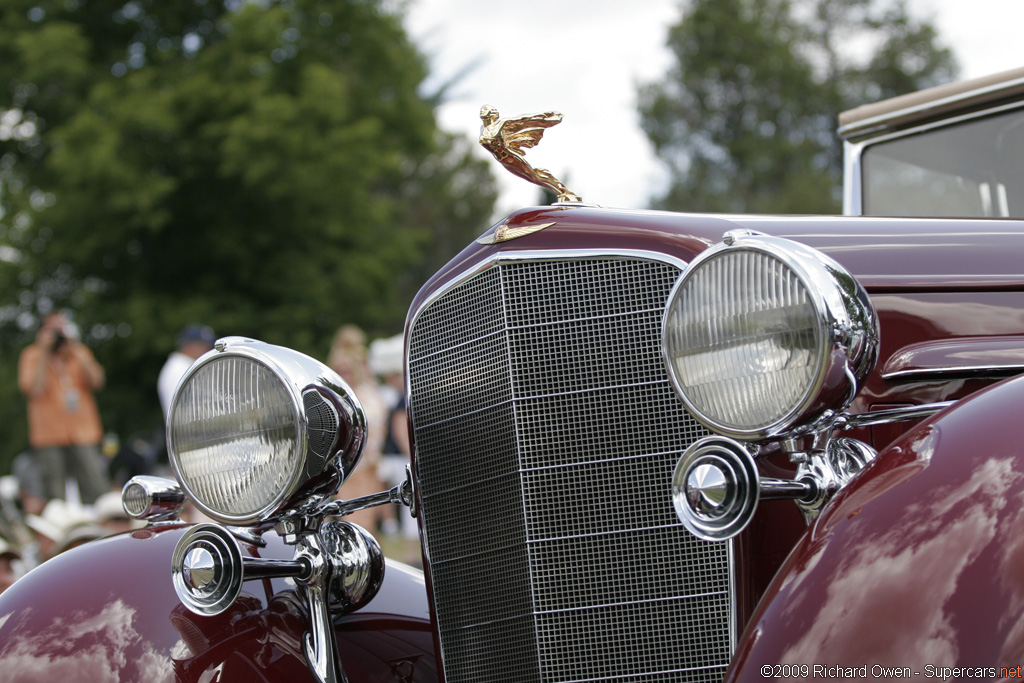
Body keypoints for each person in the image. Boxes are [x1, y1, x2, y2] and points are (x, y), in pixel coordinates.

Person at [18, 312, 109, 505]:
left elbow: (98, 381)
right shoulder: (32, 355)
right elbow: (34, 388)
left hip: (83, 432)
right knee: (54, 493)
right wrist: (44, 352)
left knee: (96, 486)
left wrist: (74, 348)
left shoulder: (78, 352)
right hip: (48, 435)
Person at [328, 325, 387, 533]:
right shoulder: (337, 395)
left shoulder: (367, 392)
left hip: (367, 460)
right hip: (347, 461)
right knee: (351, 516)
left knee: (366, 517)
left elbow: (378, 419)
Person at [158, 324, 216, 416]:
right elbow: (183, 411)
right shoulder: (178, 369)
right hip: (187, 429)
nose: (207, 350)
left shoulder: (183, 366)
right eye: (203, 346)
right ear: (190, 345)